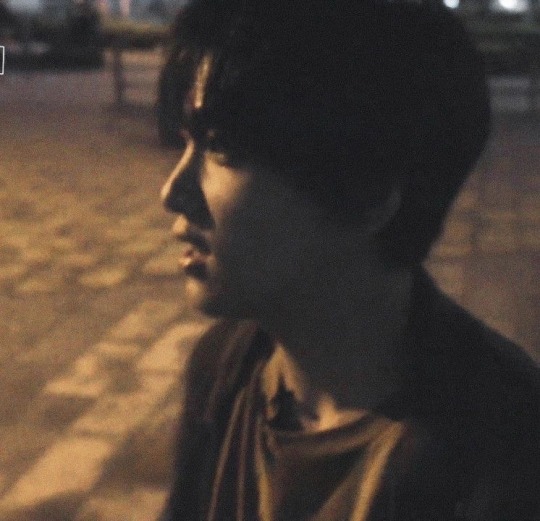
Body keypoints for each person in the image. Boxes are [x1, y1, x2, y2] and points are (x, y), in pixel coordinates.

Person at [158, 0, 540, 519]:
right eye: (185, 142)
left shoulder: (503, 450)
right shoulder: (225, 365)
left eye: (221, 147)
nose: (172, 192)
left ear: (366, 193)